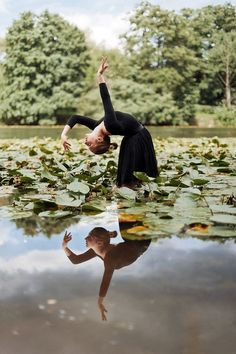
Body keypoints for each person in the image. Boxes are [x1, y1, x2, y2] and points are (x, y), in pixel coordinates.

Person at [61, 57, 158, 187]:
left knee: (133, 177)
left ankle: (135, 188)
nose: (85, 143)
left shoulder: (97, 126)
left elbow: (75, 118)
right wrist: (99, 76)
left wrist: (64, 135)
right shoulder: (111, 124)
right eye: (90, 145)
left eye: (88, 146)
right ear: (100, 139)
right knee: (129, 177)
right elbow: (106, 97)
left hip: (138, 136)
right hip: (137, 137)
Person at [62, 225, 151, 321]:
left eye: (90, 237)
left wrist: (100, 302)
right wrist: (64, 246)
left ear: (99, 243)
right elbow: (76, 260)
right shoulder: (98, 251)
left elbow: (106, 280)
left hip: (135, 241)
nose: (85, 238)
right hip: (140, 241)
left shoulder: (110, 258)